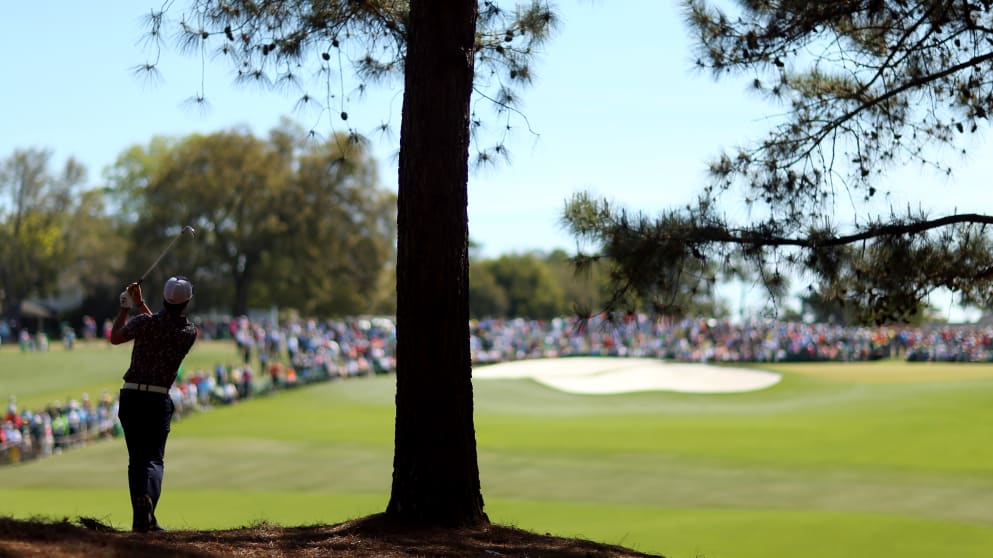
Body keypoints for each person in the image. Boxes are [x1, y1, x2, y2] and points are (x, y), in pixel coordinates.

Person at [110, 276, 198, 533]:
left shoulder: (144, 323)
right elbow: (163, 328)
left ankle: (142, 520)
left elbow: (115, 337)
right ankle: (147, 512)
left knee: (136, 461)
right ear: (187, 303)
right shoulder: (188, 332)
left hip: (131, 396)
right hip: (157, 400)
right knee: (153, 461)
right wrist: (139, 305)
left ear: (164, 298)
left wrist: (126, 307)